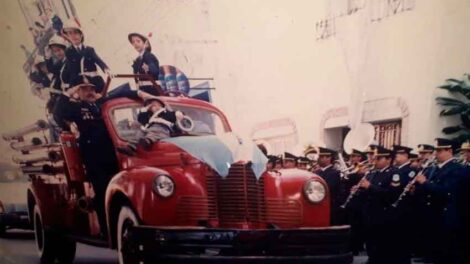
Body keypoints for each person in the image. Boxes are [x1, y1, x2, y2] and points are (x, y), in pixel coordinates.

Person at [53, 82, 154, 235]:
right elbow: (58, 113)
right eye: (85, 89)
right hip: (93, 156)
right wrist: (69, 91)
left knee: (120, 188)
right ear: (78, 92)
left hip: (111, 153)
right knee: (102, 191)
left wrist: (142, 95)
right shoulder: (76, 108)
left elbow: (122, 92)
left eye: (92, 88)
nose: (90, 91)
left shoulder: (102, 103)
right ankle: (106, 230)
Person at [414, 138, 465, 264]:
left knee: (446, 254)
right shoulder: (435, 168)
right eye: (435, 151)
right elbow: (429, 191)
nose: (436, 154)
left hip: (446, 217)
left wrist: (425, 182)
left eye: (440, 151)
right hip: (433, 216)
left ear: (449, 151)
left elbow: (446, 191)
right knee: (434, 254)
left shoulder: (457, 168)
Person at [354, 146, 408, 264]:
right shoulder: (373, 173)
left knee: (382, 248)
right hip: (370, 215)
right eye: (375, 158)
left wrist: (370, 187)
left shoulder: (394, 174)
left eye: (379, 158)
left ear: (388, 160)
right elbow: (367, 193)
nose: (375, 160)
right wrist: (358, 191)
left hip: (384, 216)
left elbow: (391, 195)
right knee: (371, 244)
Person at [116, 98, 184, 156]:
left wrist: (177, 114)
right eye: (153, 106)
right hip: (149, 129)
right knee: (140, 133)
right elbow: (142, 120)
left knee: (157, 133)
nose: (157, 107)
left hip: (162, 128)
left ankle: (147, 141)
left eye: (159, 105)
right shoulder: (150, 117)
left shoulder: (167, 114)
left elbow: (175, 118)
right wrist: (145, 109)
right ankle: (131, 147)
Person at [62, 19, 110, 93]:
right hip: (81, 84)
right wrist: (72, 88)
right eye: (70, 34)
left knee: (104, 98)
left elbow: (98, 61)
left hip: (95, 81)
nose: (73, 36)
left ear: (81, 35)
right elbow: (72, 71)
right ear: (68, 36)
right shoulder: (69, 52)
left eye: (75, 33)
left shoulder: (89, 49)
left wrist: (106, 70)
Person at [315, 147, 341, 225]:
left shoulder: (334, 172)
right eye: (320, 157)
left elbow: (329, 187)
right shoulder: (317, 172)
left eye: (323, 157)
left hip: (329, 205)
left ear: (329, 158)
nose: (320, 159)